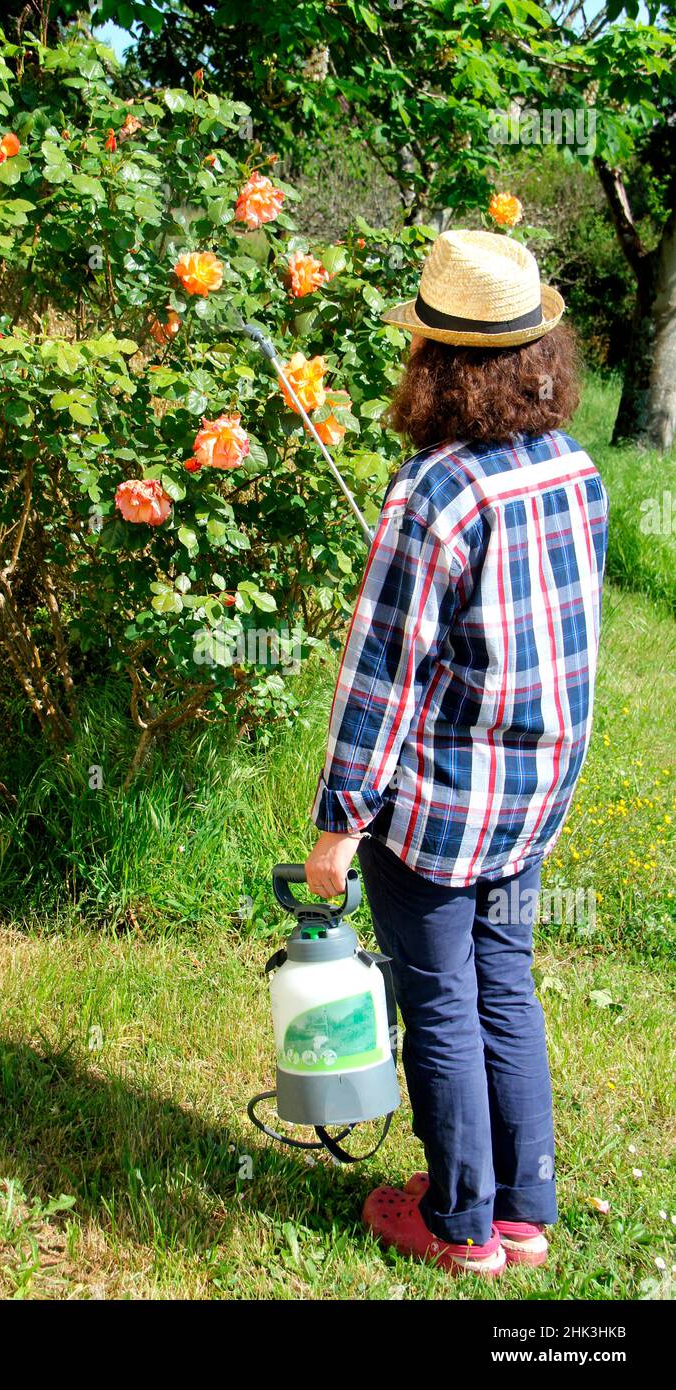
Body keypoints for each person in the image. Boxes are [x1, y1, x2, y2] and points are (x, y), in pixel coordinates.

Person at [304, 229, 608, 1278]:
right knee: (504, 983)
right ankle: (523, 1212)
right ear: (537, 356)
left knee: (438, 996)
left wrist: (337, 826)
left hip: (437, 810)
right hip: (532, 798)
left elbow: (377, 680)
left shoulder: (432, 492)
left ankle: (460, 1222)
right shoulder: (574, 468)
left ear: (434, 361)